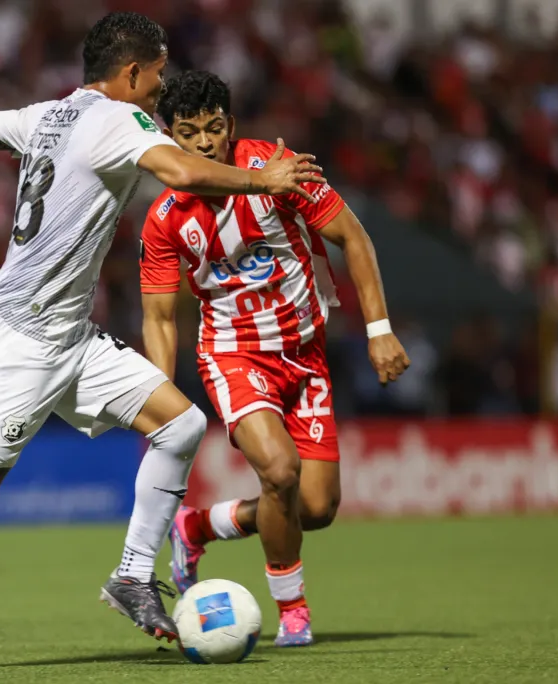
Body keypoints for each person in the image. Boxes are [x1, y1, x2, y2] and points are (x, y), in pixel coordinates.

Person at [0, 15, 326, 675]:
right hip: (21, 339)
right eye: (159, 77)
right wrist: (265, 181)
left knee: (180, 424)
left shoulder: (48, 116)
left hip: (68, 336)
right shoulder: (121, 121)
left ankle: (134, 575)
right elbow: (185, 175)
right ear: (132, 73)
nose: (161, 93)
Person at [138, 71, 410, 648]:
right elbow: (161, 318)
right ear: (171, 138)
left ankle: (198, 525)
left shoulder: (279, 172)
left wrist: (379, 329)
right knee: (280, 471)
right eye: (189, 133)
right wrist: (159, 400)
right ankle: (293, 612)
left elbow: (353, 237)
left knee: (315, 507)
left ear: (230, 125)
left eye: (215, 128)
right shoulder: (165, 218)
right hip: (232, 354)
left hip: (306, 356)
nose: (205, 142)